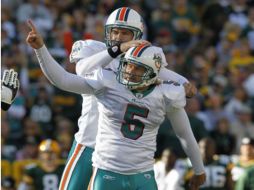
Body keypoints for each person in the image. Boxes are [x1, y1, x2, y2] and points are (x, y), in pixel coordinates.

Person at [26, 19, 206, 190]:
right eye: (115, 31)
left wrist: (185, 86)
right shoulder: (108, 78)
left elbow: (184, 130)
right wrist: (41, 49)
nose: (118, 37)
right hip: (93, 149)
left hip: (138, 167)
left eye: (125, 33)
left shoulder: (164, 90)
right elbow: (72, 75)